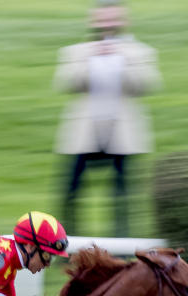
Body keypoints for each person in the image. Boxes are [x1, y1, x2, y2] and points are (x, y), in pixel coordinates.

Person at [52, 1, 160, 238]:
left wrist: (122, 62)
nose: (108, 24)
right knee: (70, 192)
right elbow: (65, 83)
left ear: (123, 21)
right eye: (103, 18)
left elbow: (148, 84)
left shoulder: (138, 52)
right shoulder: (77, 51)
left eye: (113, 18)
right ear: (94, 21)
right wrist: (90, 62)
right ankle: (67, 245)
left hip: (121, 135)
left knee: (121, 196)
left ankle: (120, 249)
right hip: (84, 136)